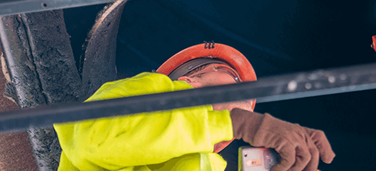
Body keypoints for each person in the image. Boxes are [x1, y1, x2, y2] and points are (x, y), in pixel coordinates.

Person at [53, 43, 335, 171]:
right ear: (190, 81)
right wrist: (238, 123)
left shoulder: (209, 164)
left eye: (249, 105)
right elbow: (92, 140)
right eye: (235, 78)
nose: (249, 101)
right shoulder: (151, 87)